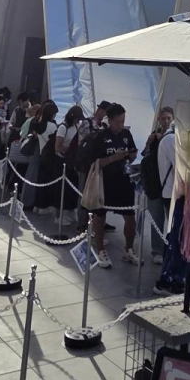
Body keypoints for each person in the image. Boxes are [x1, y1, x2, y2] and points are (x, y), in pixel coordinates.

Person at [87, 102, 137, 268]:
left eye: (123, 121)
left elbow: (132, 152)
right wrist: (114, 158)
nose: (121, 125)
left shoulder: (126, 134)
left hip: (124, 180)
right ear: (110, 120)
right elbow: (95, 162)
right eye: (118, 122)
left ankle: (129, 249)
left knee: (130, 216)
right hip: (105, 182)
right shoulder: (101, 137)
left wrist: (131, 156)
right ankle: (100, 250)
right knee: (100, 216)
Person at [140, 107, 175, 263]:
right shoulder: (154, 137)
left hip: (170, 185)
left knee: (172, 219)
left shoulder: (174, 137)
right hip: (154, 185)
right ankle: (157, 251)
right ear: (159, 119)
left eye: (169, 118)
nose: (166, 121)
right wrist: (150, 144)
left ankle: (172, 248)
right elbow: (145, 156)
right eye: (163, 118)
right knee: (156, 218)